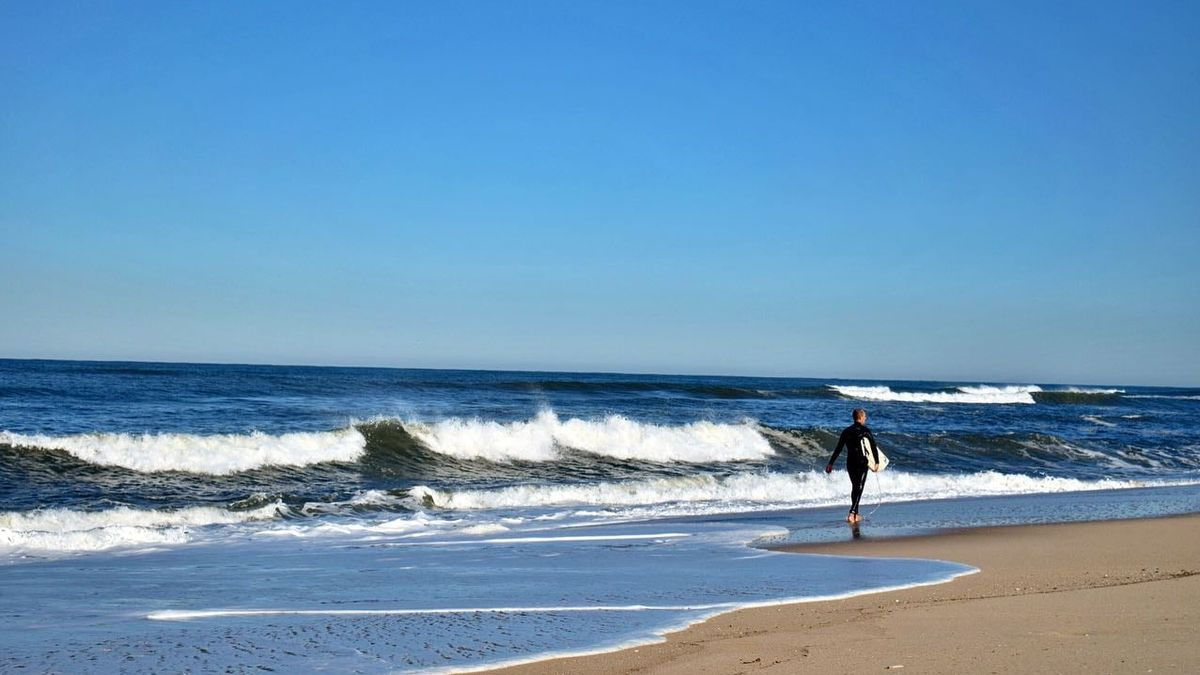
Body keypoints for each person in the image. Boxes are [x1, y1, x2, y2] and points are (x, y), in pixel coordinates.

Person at [825, 408, 881, 523]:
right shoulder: (865, 430)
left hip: (850, 462)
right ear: (860, 417)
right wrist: (876, 462)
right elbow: (873, 447)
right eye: (864, 416)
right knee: (859, 487)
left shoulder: (846, 431)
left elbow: (838, 448)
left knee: (855, 487)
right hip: (862, 462)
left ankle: (855, 514)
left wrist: (831, 463)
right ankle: (852, 513)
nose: (865, 418)